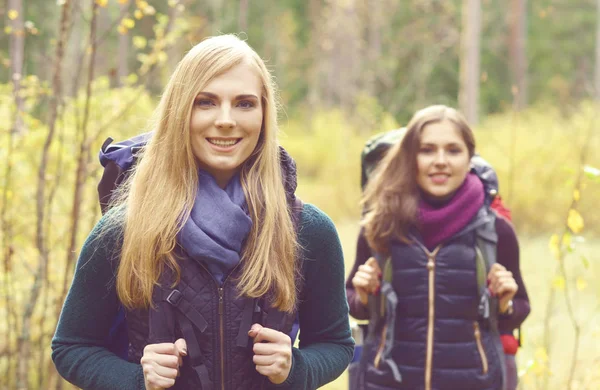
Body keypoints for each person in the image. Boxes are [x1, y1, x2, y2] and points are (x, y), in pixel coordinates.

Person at [52, 34, 354, 390]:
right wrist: (137, 380)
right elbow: (72, 347)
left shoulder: (306, 230)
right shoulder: (124, 229)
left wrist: (296, 367)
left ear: (264, 114)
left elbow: (336, 345)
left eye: (244, 104)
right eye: (206, 102)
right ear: (180, 111)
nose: (226, 120)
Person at [346, 105, 530, 390]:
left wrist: (504, 303)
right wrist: (361, 294)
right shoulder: (380, 226)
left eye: (453, 150)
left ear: (470, 158)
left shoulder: (494, 231)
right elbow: (355, 307)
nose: (440, 161)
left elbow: (519, 309)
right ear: (410, 157)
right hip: (387, 382)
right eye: (427, 150)